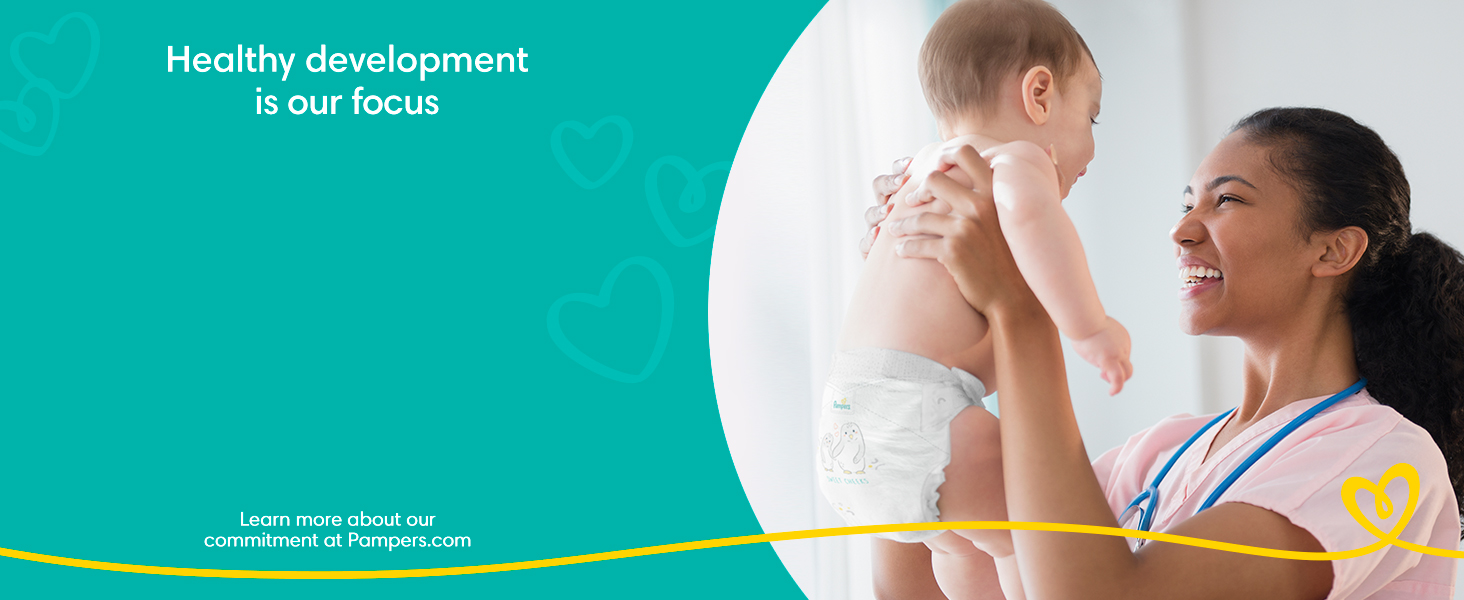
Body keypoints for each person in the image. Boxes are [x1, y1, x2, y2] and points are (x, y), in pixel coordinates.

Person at [862, 106, 1463, 599]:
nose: (1182, 231)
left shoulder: (1386, 461)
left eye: (1227, 201)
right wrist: (909, 306)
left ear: (1334, 251)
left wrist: (1020, 309)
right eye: (1187, 203)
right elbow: (920, 585)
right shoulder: (1159, 455)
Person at [820, 2, 1130, 597]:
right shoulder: (1013, 159)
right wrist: (1091, 328)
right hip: (927, 414)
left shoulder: (914, 177)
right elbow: (1037, 227)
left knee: (958, 542)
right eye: (1091, 117)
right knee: (1027, 533)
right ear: (1039, 95)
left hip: (846, 426)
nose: (1092, 147)